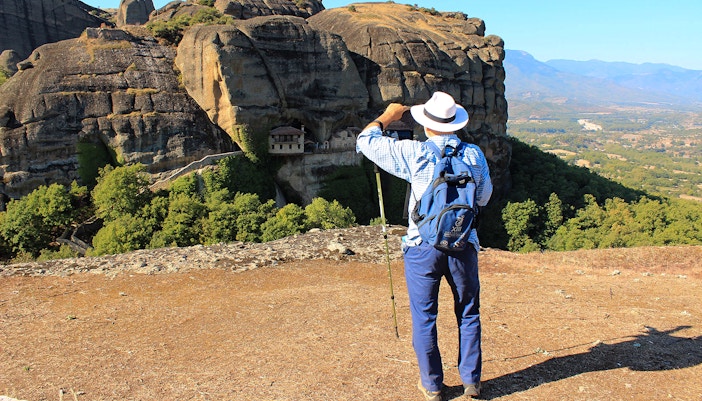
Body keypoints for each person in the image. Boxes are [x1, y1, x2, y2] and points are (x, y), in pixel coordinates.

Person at [356, 92, 493, 400]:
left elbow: (365, 141)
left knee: (424, 316)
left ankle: (432, 386)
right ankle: (471, 383)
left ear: (426, 124)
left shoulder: (414, 153)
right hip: (463, 242)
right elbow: (483, 198)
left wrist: (388, 115)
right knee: (469, 313)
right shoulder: (474, 155)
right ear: (455, 123)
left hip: (422, 247)